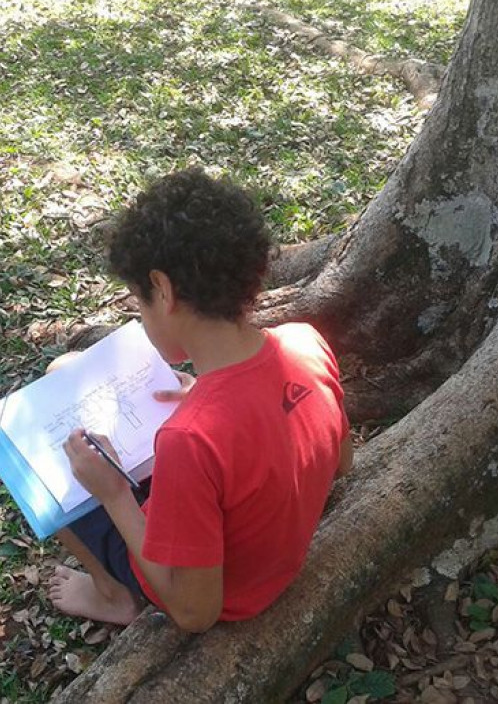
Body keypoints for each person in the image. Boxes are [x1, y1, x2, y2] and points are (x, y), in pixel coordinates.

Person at [47, 167, 352, 632]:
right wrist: (205, 398)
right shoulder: (305, 342)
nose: (141, 313)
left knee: (40, 455)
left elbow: (196, 614)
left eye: (138, 300)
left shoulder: (190, 440)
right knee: (62, 370)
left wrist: (115, 495)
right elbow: (341, 460)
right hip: (258, 536)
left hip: (225, 591)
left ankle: (113, 595)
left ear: (163, 290)